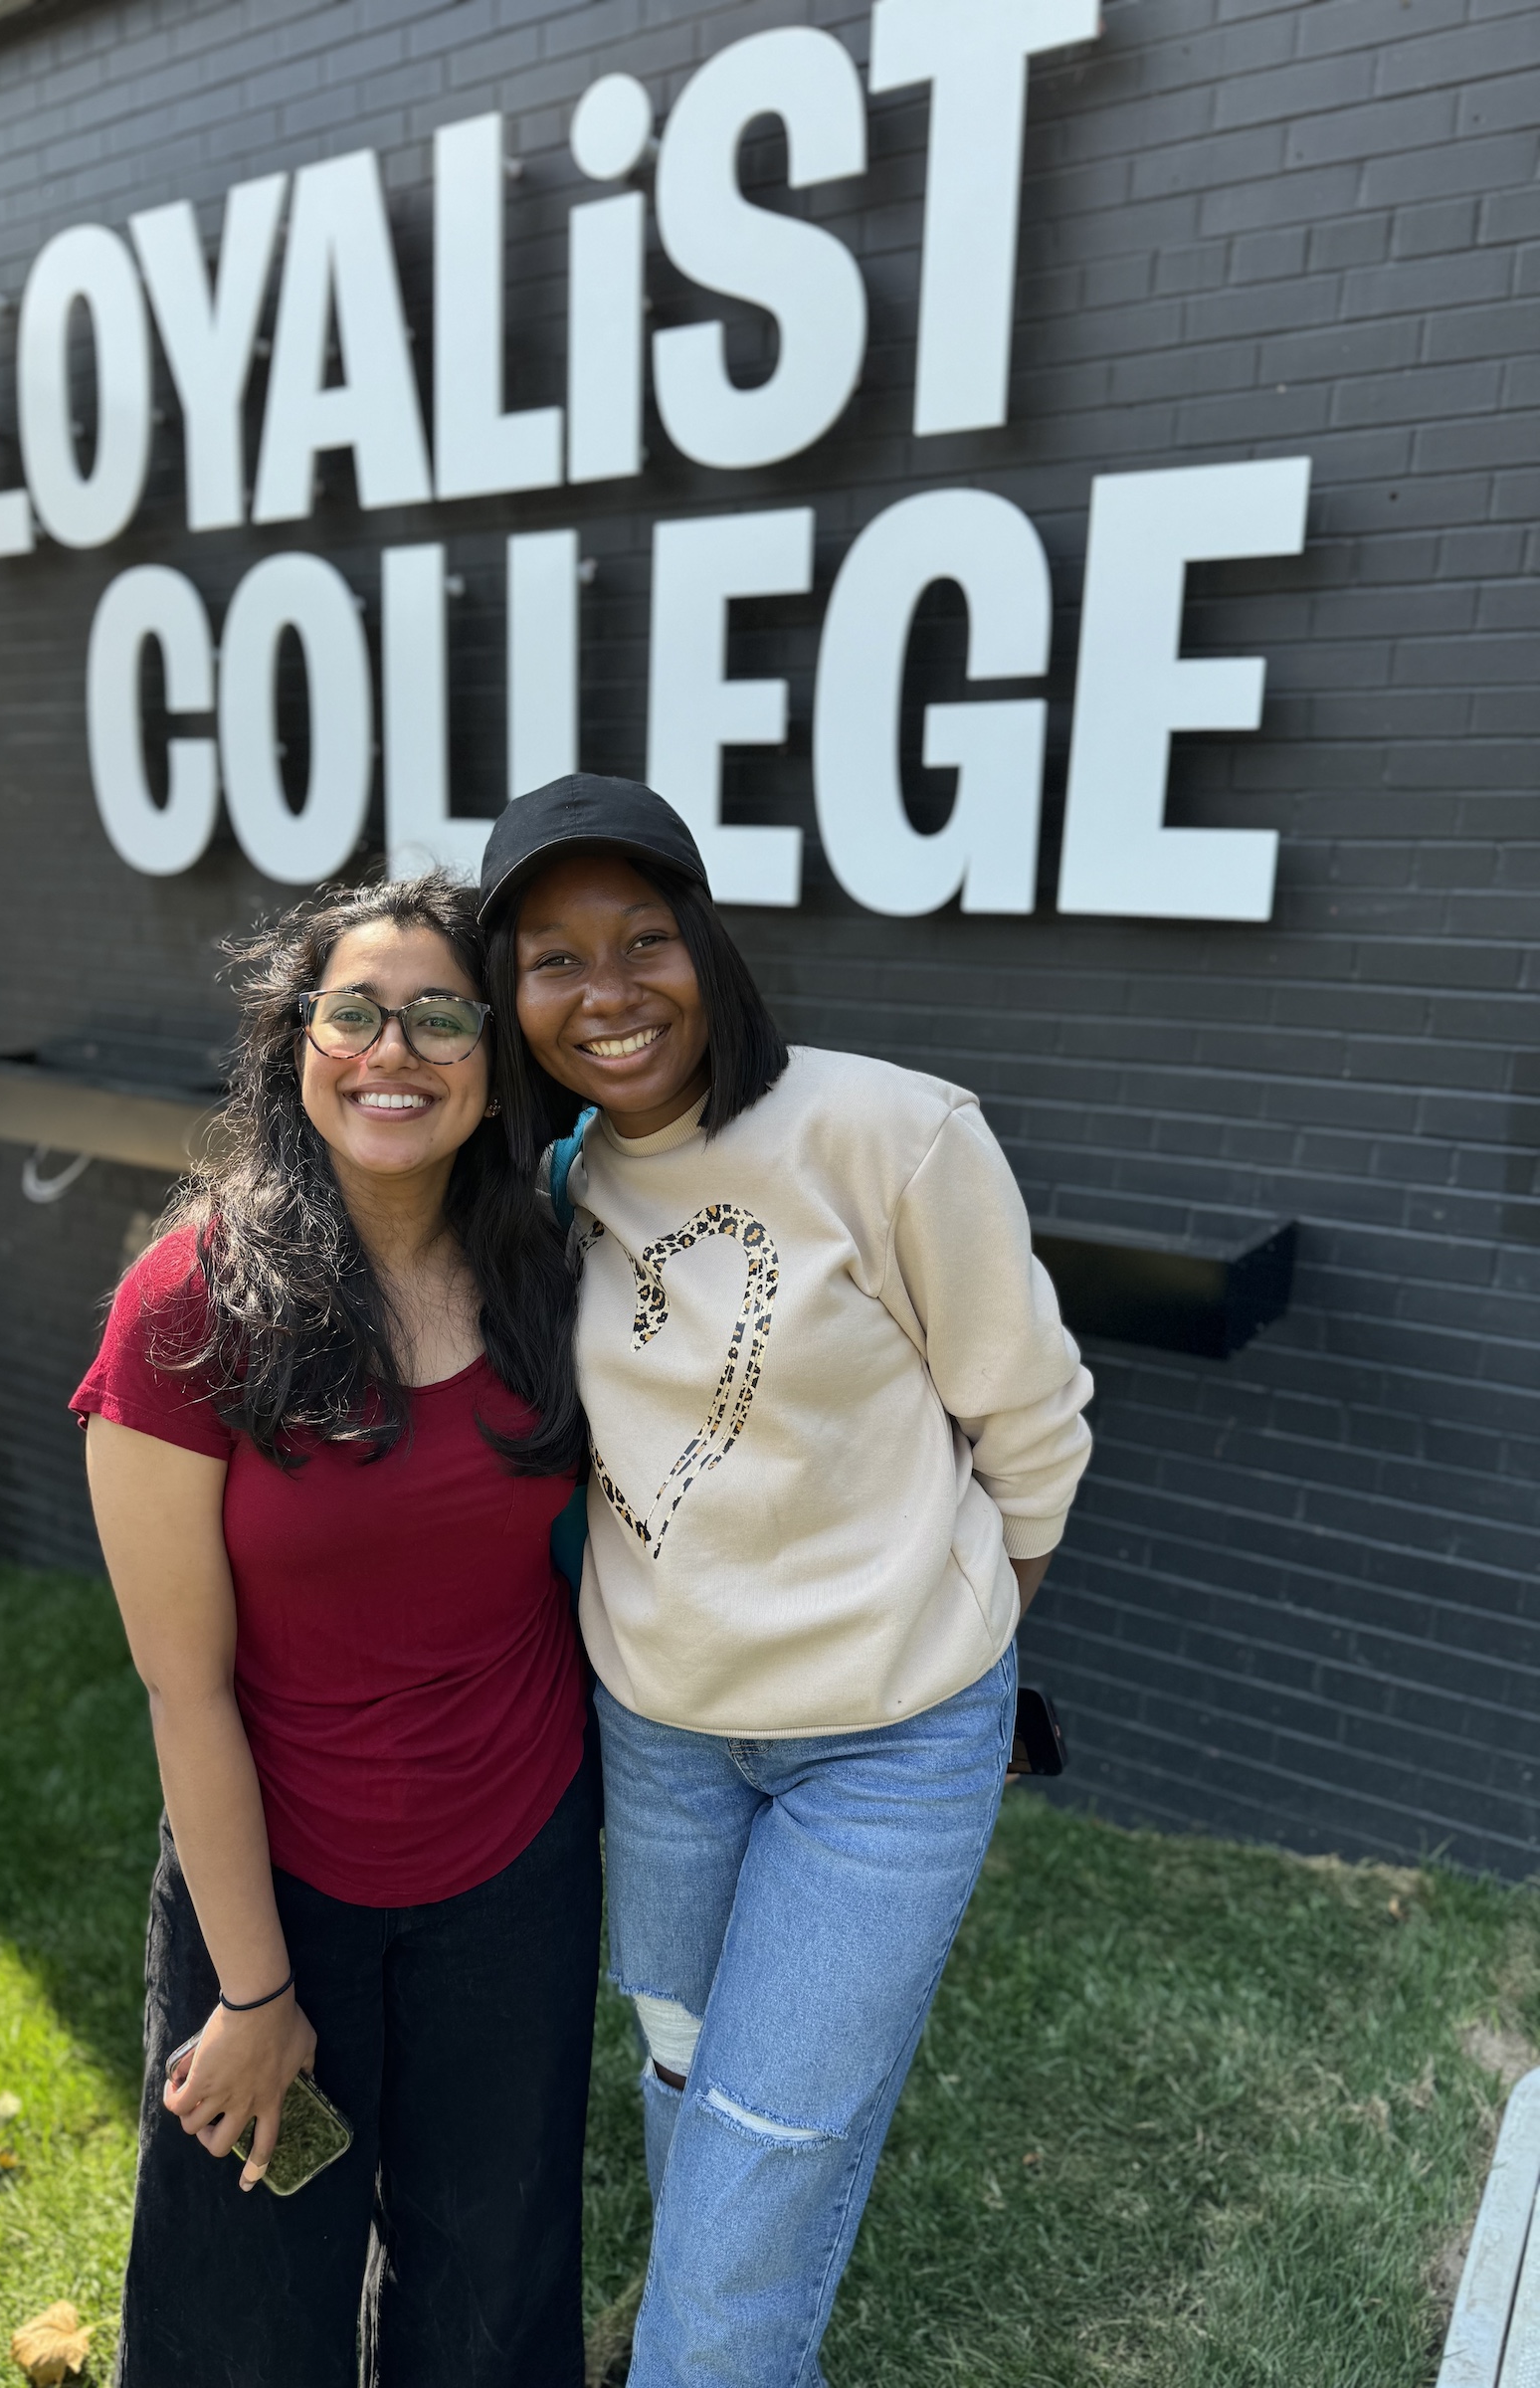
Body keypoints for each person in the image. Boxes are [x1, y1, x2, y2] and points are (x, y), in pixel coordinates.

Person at [480, 777, 1095, 2388]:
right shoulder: (561, 1188)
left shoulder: (886, 1133)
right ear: (510, 994)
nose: (607, 993)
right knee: (687, 2094)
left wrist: (961, 1634)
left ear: (711, 947)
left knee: (761, 2154)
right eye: (554, 958)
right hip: (668, 1740)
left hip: (886, 1750)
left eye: (645, 940)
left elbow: (1029, 1420)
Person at [72, 874, 598, 2388]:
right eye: (355, 1011)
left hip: (518, 1873)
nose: (396, 1051)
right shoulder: (188, 1306)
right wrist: (251, 1992)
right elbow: (185, 1689)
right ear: (295, 1041)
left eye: (442, 1017)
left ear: (494, 1058)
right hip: (278, 1888)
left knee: (493, 2287)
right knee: (243, 2306)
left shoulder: (543, 1264)